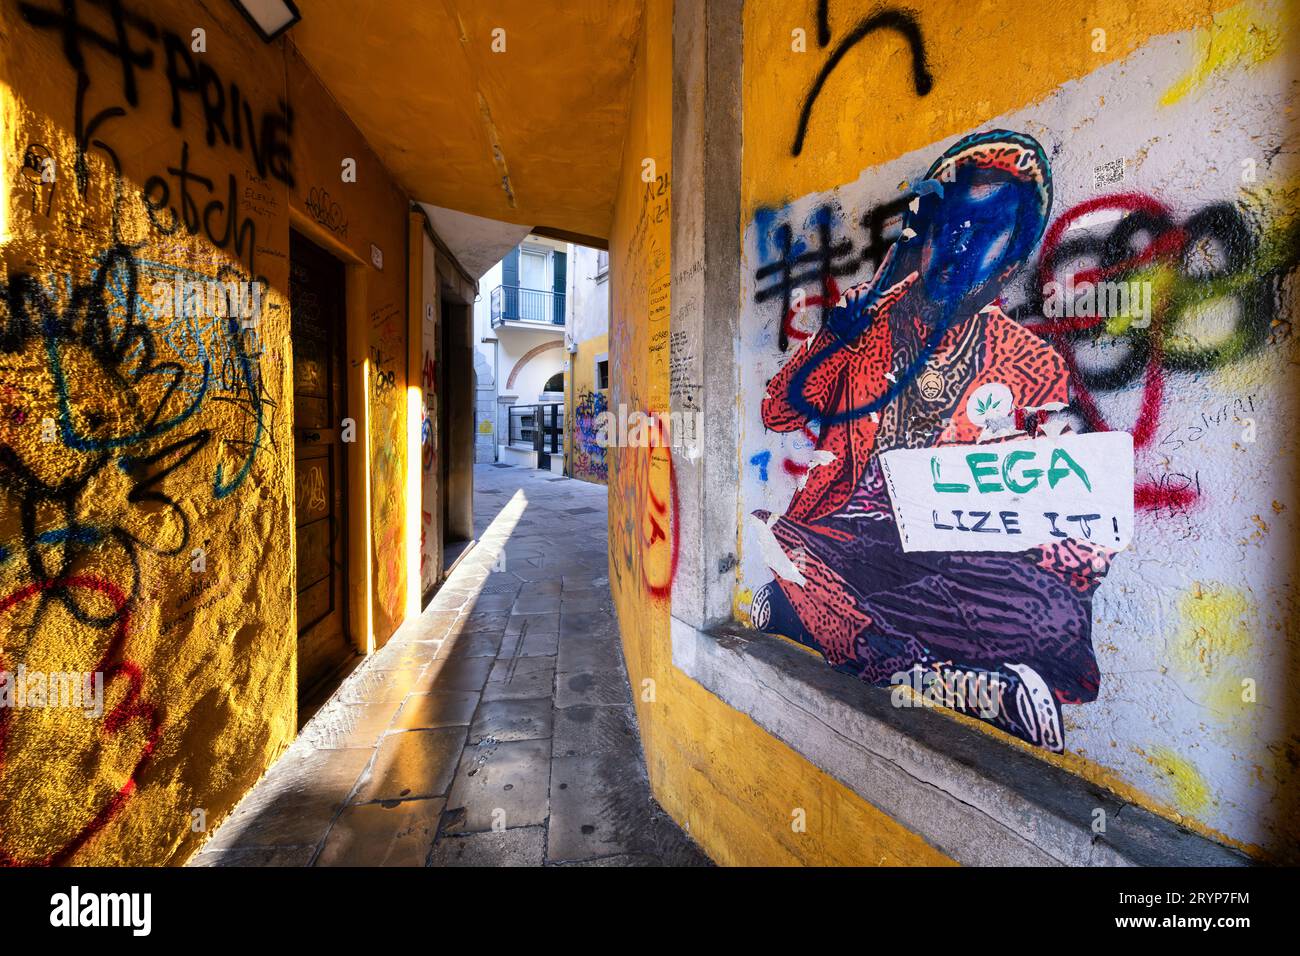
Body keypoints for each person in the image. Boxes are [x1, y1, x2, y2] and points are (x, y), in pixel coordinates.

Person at [750, 130, 1115, 752]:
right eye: (952, 225)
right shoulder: (867, 326)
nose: (960, 246)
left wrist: (1035, 532)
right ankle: (936, 673)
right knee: (789, 541)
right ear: (922, 238)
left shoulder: (1032, 361)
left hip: (958, 566)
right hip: (853, 543)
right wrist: (833, 339)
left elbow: (1083, 542)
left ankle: (819, 620)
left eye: (986, 231)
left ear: (1011, 258)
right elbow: (780, 410)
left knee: (1054, 619)